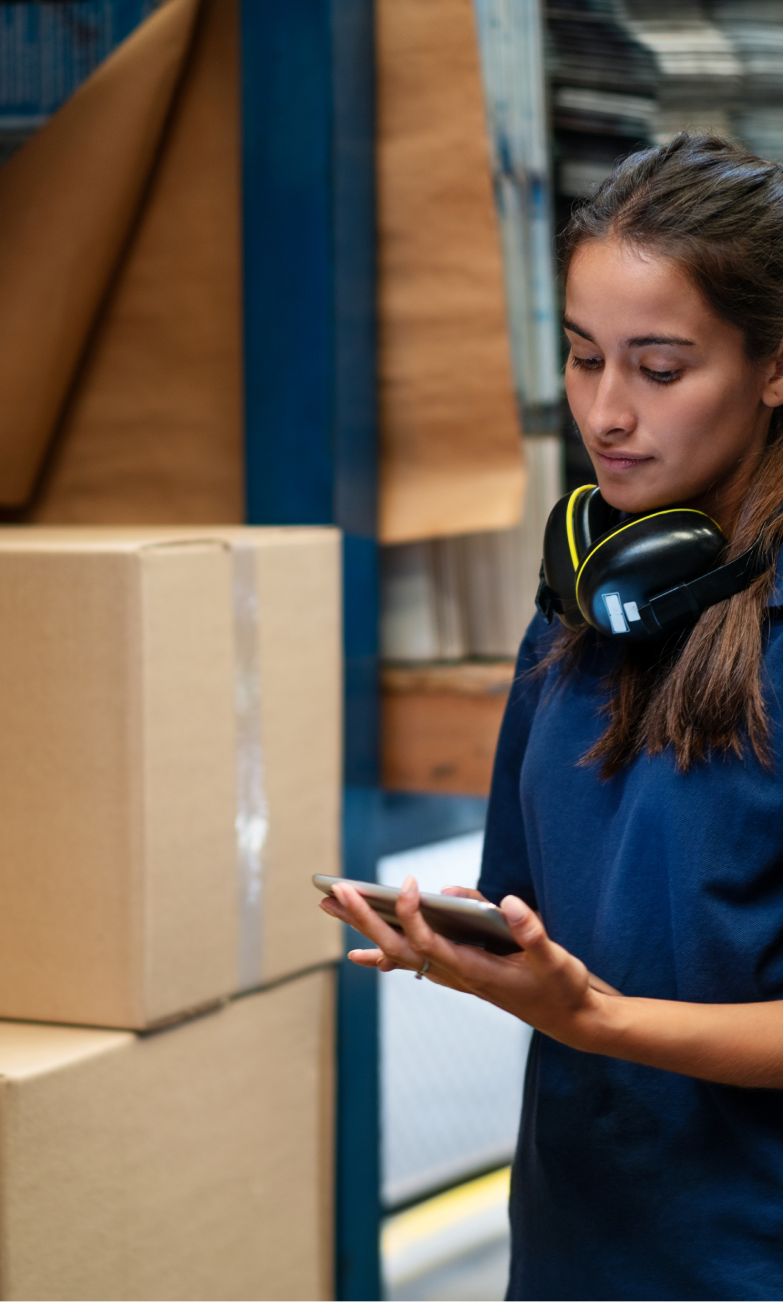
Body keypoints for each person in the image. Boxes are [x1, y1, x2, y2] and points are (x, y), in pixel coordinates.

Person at [319, 133, 783, 1301]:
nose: (608, 414)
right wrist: (469, 943)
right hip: (578, 1241)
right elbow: (542, 905)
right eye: (584, 360)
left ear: (775, 367)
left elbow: (600, 1000)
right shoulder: (576, 614)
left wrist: (599, 1019)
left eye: (661, 369)